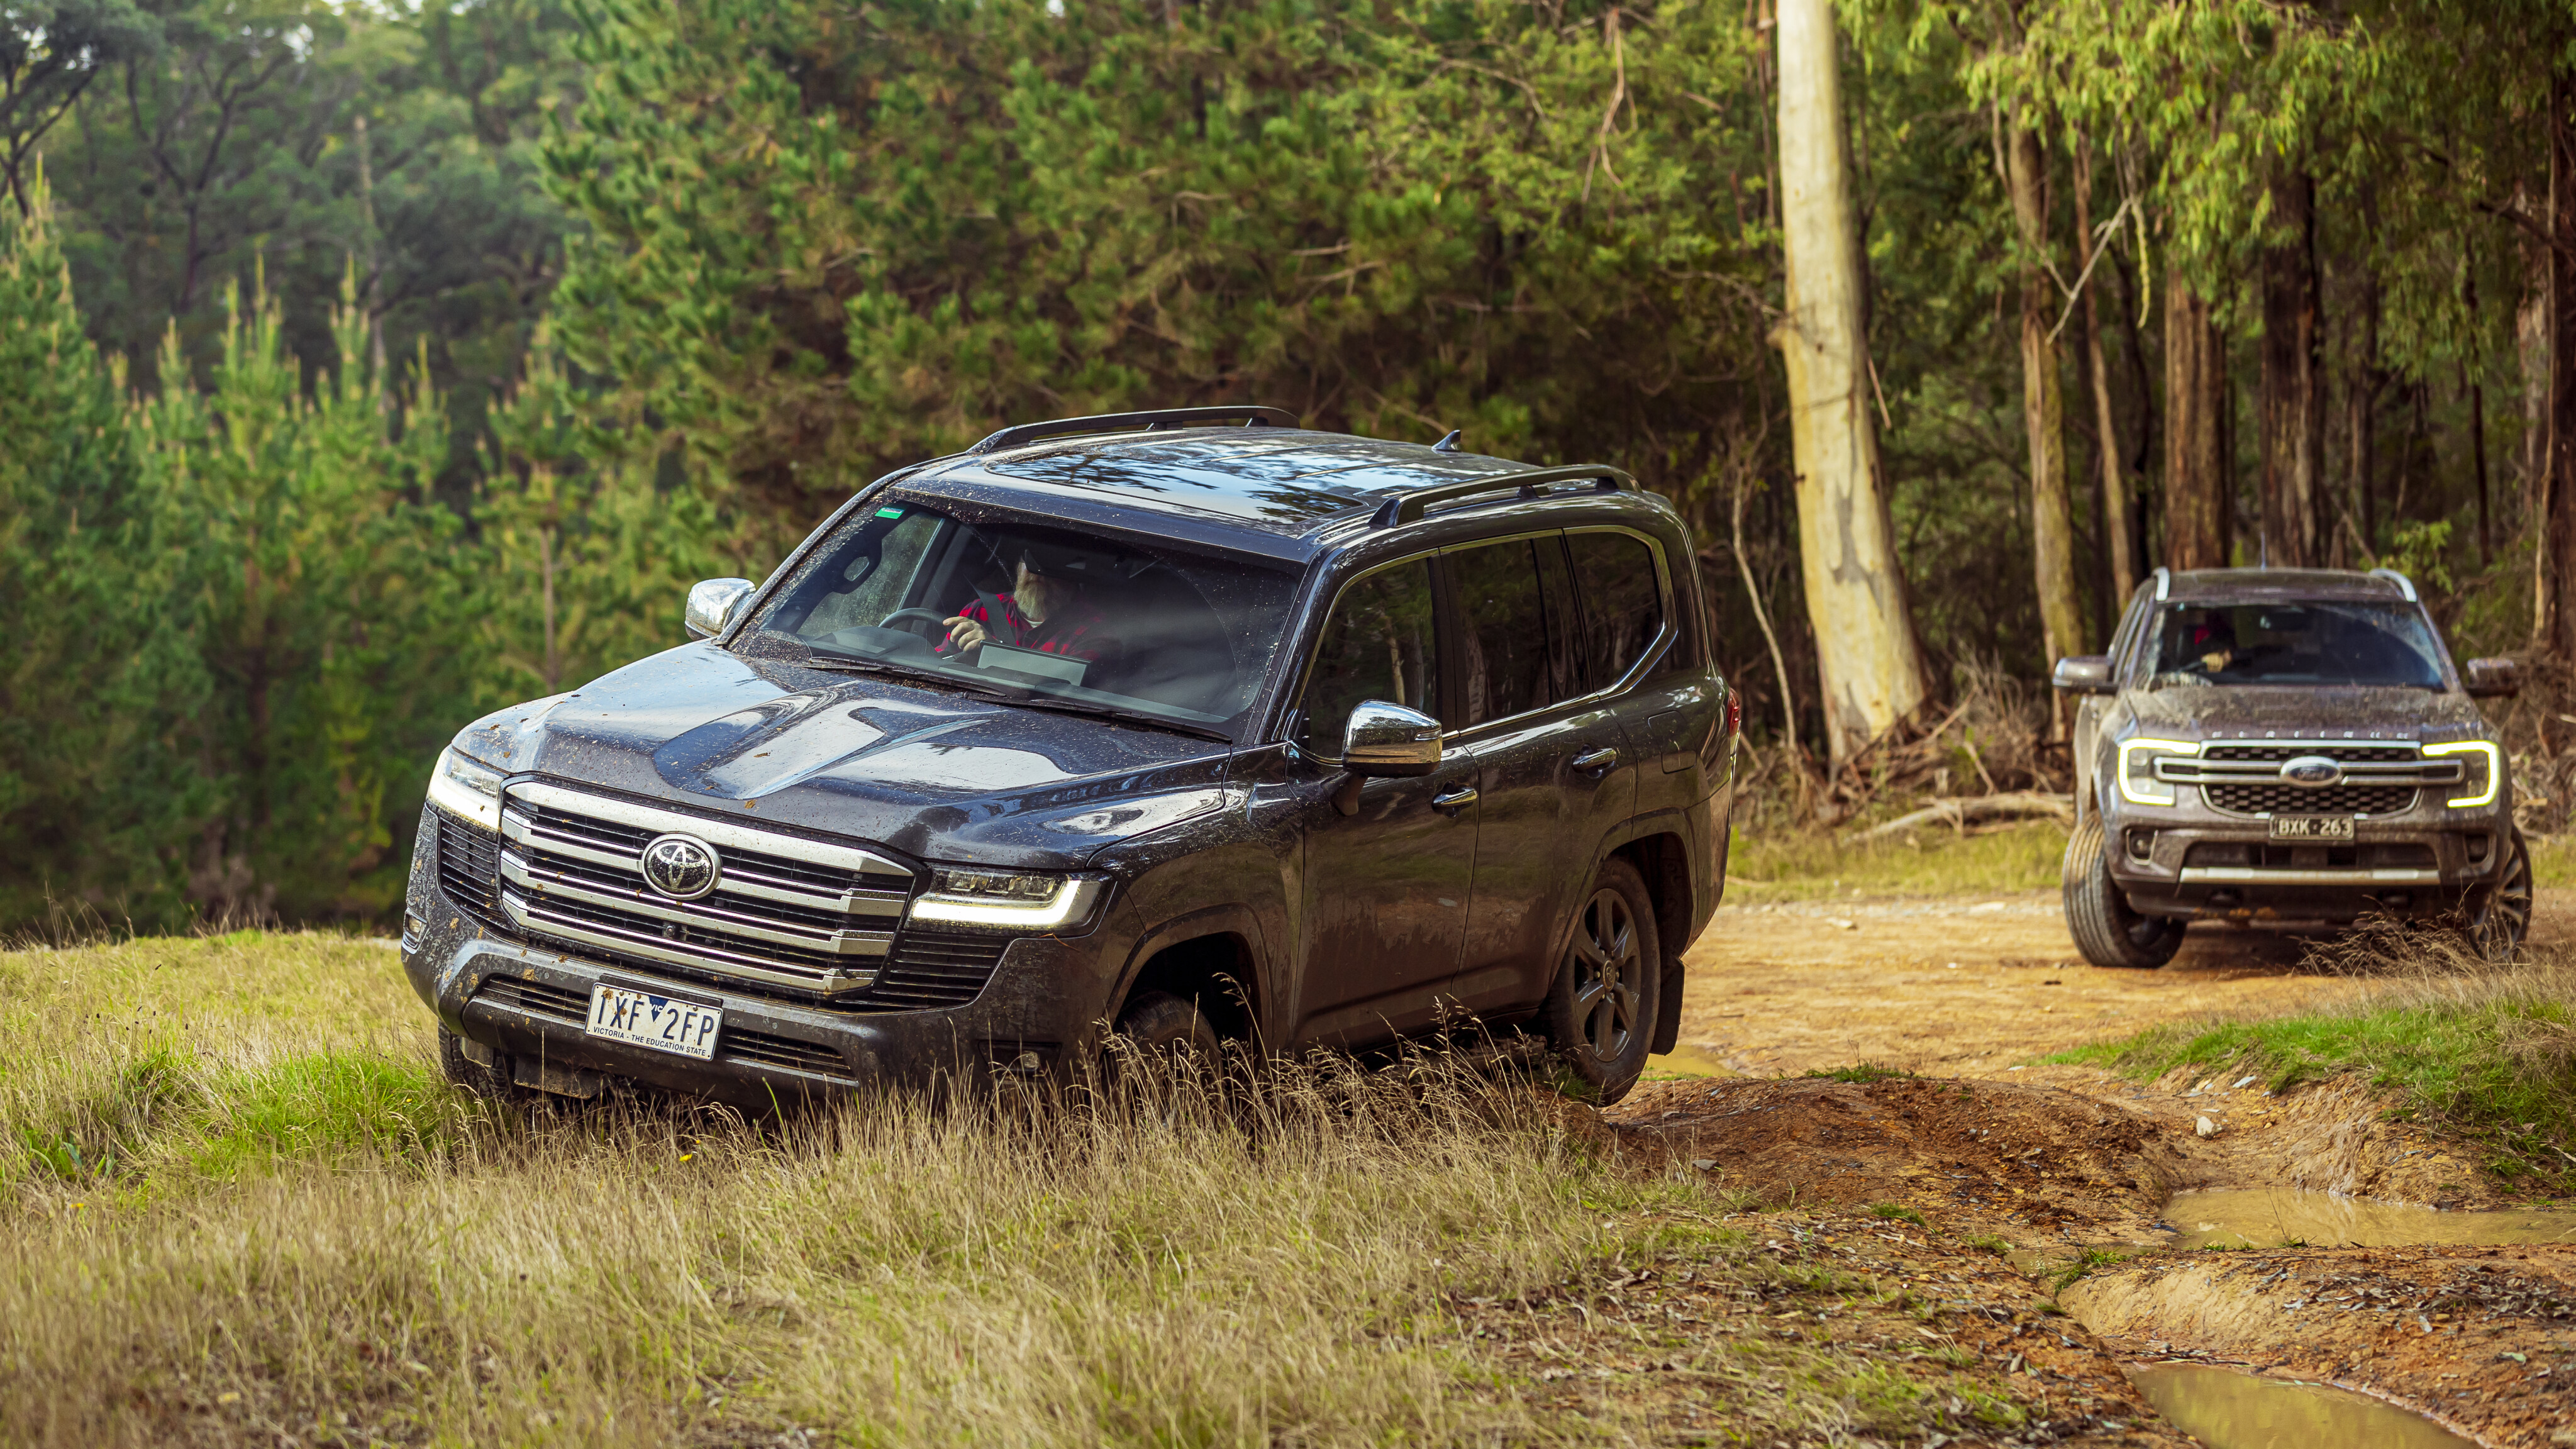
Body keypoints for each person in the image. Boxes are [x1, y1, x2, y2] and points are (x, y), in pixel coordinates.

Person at [937, 543, 1116, 665]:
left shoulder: (1096, 630)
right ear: (1017, 567)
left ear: (1074, 575)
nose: (1037, 574)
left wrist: (994, 651)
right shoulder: (979, 611)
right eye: (1030, 562)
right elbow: (937, 662)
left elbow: (1066, 690)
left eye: (1050, 565)